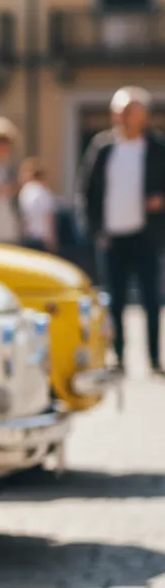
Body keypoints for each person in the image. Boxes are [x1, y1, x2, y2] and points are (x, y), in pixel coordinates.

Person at [80, 86, 165, 375]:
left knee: (152, 299)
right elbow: (88, 192)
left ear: (143, 115)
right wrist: (96, 231)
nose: (122, 116)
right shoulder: (102, 148)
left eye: (129, 110)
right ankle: (118, 357)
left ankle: (154, 358)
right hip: (112, 237)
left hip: (146, 235)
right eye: (119, 110)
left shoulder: (157, 148)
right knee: (114, 301)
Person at [17, 158, 59, 254]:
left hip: (28, 237)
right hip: (42, 238)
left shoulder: (25, 191)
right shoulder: (45, 193)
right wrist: (52, 240)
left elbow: (23, 217)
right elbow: (48, 217)